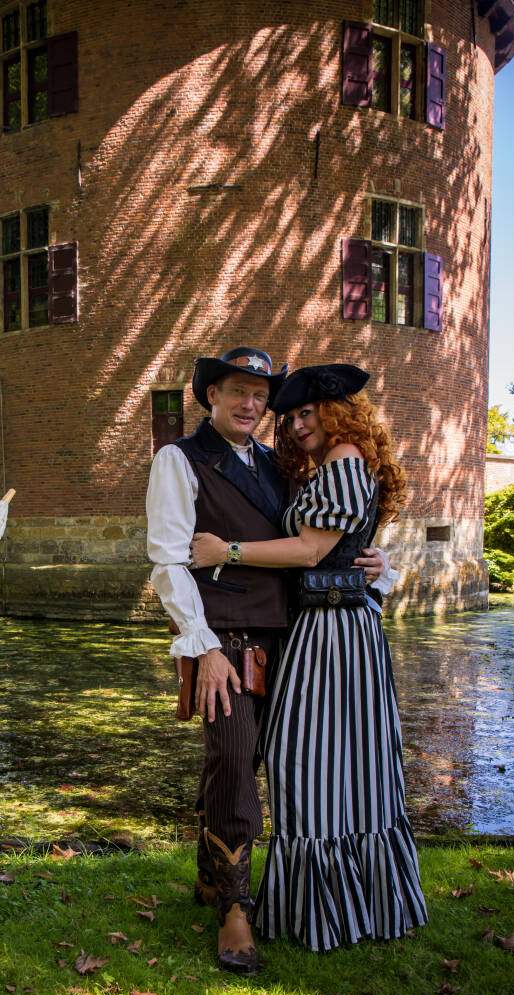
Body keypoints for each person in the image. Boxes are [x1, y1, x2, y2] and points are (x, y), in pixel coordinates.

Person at [146, 348, 388, 975]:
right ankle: (235, 908)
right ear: (212, 395)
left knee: (259, 761)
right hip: (223, 637)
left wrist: (377, 566)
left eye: (260, 395)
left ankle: (210, 874)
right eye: (238, 391)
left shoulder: (285, 466)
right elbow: (168, 561)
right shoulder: (180, 459)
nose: (251, 404)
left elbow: (319, 544)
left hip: (295, 637)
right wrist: (201, 645)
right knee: (232, 757)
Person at [191, 362, 428, 952]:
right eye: (291, 416)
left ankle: (326, 907)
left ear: (338, 413)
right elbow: (344, 549)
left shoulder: (344, 461)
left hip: (334, 637)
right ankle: (319, 897)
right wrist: (378, 566)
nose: (297, 425)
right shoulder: (329, 467)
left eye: (307, 412)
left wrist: (228, 550)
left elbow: (310, 550)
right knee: (325, 765)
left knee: (311, 766)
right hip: (318, 630)